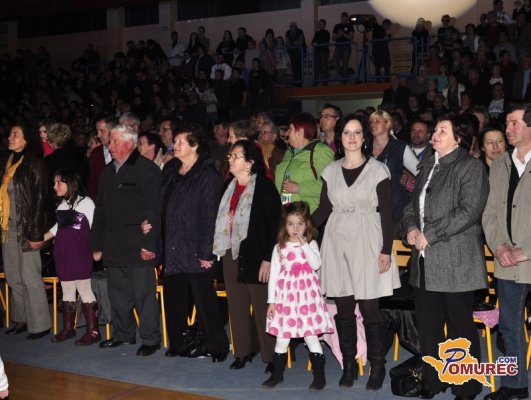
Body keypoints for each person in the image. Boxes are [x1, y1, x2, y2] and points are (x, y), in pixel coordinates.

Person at [402, 114, 490, 399]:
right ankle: (434, 381)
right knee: (428, 327)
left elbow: (469, 210)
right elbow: (411, 207)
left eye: (442, 131)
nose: (434, 135)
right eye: (435, 130)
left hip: (456, 261)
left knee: (459, 328)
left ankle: (466, 388)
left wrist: (431, 234)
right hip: (425, 262)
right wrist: (411, 229)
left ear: (458, 138)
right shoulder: (428, 165)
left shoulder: (470, 167)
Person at [312, 114, 399, 390]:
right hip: (337, 240)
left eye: (357, 132)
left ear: (364, 138)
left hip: (368, 240)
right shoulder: (330, 171)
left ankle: (377, 365)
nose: (352, 137)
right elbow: (324, 210)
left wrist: (386, 250)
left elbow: (387, 214)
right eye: (347, 132)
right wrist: (299, 231)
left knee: (370, 307)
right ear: (340, 137)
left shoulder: (378, 170)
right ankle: (348, 364)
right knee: (344, 308)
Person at [152, 123, 229, 361]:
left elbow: (210, 216)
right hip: (173, 244)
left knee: (204, 300)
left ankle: (217, 346)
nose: (175, 145)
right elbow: (162, 203)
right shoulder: (171, 169)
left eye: (181, 142)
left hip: (196, 247)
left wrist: (206, 253)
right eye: (175, 141)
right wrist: (153, 223)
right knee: (174, 298)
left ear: (195, 147)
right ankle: (178, 343)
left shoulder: (207, 174)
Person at [92, 124, 162, 357]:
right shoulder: (108, 172)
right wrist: (97, 244)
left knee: (144, 295)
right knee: (117, 294)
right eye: (110, 141)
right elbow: (100, 210)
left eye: (114, 141)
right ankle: (123, 334)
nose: (109, 145)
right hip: (113, 244)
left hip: (138, 244)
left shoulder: (146, 169)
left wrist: (149, 245)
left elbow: (154, 211)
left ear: (130, 143)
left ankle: (150, 338)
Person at [213, 140, 280, 371]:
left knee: (262, 307)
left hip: (257, 255)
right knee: (237, 304)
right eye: (230, 156)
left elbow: (274, 226)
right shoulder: (228, 186)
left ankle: (271, 357)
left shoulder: (265, 187)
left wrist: (268, 259)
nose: (230, 160)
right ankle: (242, 352)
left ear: (250, 162)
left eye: (236, 156)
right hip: (231, 252)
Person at [482, 103, 531, 400]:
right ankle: (515, 386)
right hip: (508, 262)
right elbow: (490, 212)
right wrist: (499, 245)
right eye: (507, 123)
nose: (508, 129)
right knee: (510, 327)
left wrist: (527, 251)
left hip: (527, 256)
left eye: (514, 123)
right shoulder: (500, 164)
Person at [263, 201, 333, 390]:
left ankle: (319, 377)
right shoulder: (279, 247)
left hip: (306, 300)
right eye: (291, 224)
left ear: (306, 224)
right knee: (282, 338)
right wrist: (272, 302)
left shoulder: (311, 244)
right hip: (286, 299)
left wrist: (304, 244)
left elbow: (316, 264)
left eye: (300, 224)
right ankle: (277, 375)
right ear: (285, 225)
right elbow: (274, 276)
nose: (295, 228)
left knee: (311, 337)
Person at [37, 169, 100, 345]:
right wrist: (40, 239)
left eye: (59, 182)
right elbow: (57, 228)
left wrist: (98, 249)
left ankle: (93, 331)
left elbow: (96, 228)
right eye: (54, 182)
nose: (54, 186)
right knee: (67, 290)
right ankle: (68, 328)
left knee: (84, 289)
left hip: (80, 253)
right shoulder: (62, 206)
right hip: (63, 253)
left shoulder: (86, 203)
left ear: (70, 183)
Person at [2, 124, 52, 340]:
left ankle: (40, 324)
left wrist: (35, 234)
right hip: (8, 226)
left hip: (28, 227)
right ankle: (21, 318)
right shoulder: (7, 162)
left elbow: (40, 200)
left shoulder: (34, 163)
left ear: (27, 139)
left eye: (16, 134)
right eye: (10, 134)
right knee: (13, 276)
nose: (10, 137)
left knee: (30, 276)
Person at [369, 110, 419, 234]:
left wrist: (410, 183)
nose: (373, 124)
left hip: (396, 205)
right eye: (371, 122)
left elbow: (420, 172)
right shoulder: (365, 148)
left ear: (388, 125)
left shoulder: (399, 147)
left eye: (378, 121)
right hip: (371, 207)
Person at [275, 112, 334, 213]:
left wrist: (299, 188)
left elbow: (331, 187)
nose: (287, 133)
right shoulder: (289, 152)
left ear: (300, 131)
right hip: (287, 214)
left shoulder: (321, 152)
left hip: (309, 215)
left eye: (290, 129)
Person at [88, 116, 116, 199]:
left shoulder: (123, 151)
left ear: (113, 131)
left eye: (102, 131)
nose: (98, 135)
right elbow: (92, 182)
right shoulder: (96, 153)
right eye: (97, 131)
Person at [332, 12, 354, 81]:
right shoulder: (337, 26)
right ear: (341, 18)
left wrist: (343, 33)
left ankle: (344, 81)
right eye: (342, 17)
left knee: (345, 64)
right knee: (334, 62)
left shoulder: (349, 26)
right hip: (338, 46)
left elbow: (351, 38)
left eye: (345, 17)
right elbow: (333, 38)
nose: (343, 18)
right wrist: (339, 35)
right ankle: (345, 76)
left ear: (347, 18)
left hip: (346, 46)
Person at [311, 19, 330, 84]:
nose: (319, 25)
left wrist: (317, 43)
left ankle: (325, 83)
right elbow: (312, 42)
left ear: (324, 25)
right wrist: (314, 43)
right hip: (317, 52)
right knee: (316, 67)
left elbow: (325, 40)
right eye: (319, 24)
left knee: (323, 66)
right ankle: (315, 83)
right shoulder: (317, 33)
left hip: (324, 52)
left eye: (321, 24)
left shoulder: (326, 32)